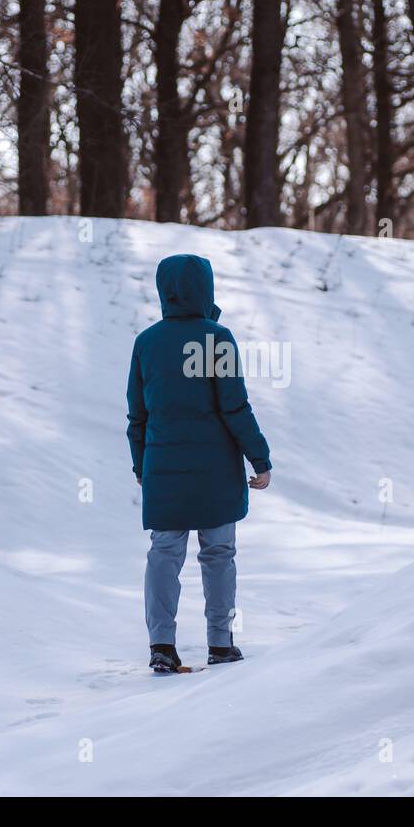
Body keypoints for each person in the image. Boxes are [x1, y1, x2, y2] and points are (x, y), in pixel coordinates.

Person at [126, 254, 272, 673]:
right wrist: (259, 458)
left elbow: (138, 416)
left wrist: (141, 467)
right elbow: (235, 407)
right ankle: (220, 643)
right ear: (205, 288)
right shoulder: (217, 338)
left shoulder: (146, 342)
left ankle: (162, 645)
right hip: (216, 470)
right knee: (220, 553)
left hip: (164, 467)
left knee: (164, 553)